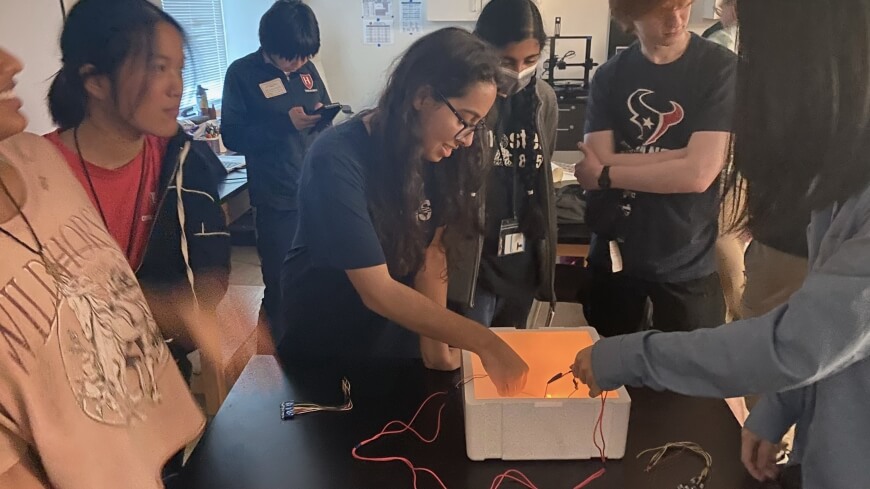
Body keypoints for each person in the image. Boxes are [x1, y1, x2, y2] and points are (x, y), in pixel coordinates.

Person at [572, 1, 870, 487]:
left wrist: (625, 357)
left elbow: (791, 344)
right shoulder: (838, 187)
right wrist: (780, 406)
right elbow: (826, 339)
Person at [278, 28, 528, 396]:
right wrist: (484, 341)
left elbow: (432, 254)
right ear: (423, 97)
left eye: (477, 125)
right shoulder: (336, 159)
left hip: (393, 337)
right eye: (464, 119)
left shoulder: (440, 156)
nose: (468, 139)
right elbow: (377, 290)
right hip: (327, 345)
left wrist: (435, 351)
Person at [0, 46, 203, 489]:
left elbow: (98, 296)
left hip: (160, 448)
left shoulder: (35, 158)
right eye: (153, 69)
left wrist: (185, 315)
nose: (13, 63)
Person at [43, 0, 231, 381]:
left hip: (158, 374)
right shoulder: (38, 174)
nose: (175, 85)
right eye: (157, 68)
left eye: (178, 67)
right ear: (95, 81)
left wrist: (196, 315)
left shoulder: (185, 162)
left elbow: (210, 271)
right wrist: (170, 309)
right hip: (64, 386)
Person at [573, 0, 736, 336]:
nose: (676, 19)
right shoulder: (610, 75)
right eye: (662, 9)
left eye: (684, 5)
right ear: (630, 13)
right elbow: (597, 157)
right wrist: (680, 157)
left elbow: (698, 174)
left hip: (685, 261)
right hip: (615, 256)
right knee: (610, 377)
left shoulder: (720, 68)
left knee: (686, 379)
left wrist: (607, 174)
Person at [221, 0, 332, 342]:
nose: (299, 63)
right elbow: (233, 135)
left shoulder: (306, 71)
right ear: (269, 45)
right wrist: (286, 123)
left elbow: (321, 121)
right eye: (292, 56)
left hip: (315, 191)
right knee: (281, 285)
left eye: (305, 56)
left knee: (318, 279)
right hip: (276, 198)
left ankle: (311, 349)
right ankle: (271, 364)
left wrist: (322, 116)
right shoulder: (242, 74)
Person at [448, 0, 558, 329]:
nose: (519, 71)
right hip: (475, 269)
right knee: (469, 369)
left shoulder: (544, 100)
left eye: (531, 60)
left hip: (522, 266)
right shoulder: (465, 100)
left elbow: (541, 172)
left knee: (512, 367)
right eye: (507, 61)